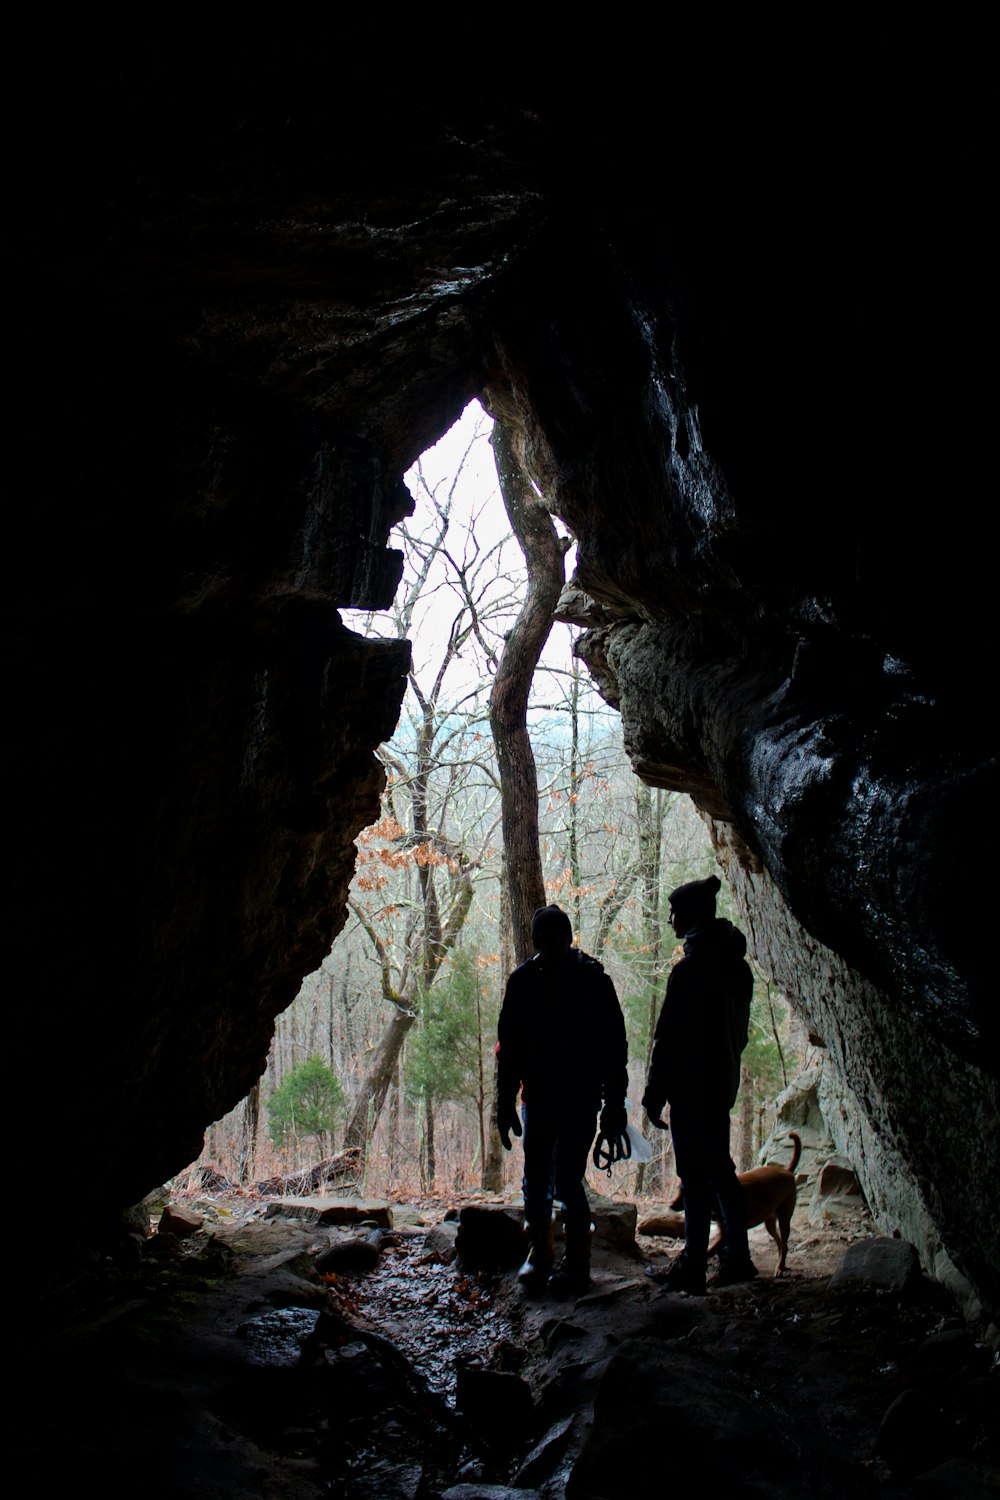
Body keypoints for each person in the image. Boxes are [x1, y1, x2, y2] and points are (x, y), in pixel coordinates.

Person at [496, 904, 629, 1296]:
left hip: (579, 1098)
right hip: (538, 1096)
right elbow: (510, 1048)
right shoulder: (522, 982)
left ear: (568, 938)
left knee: (568, 1179)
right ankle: (540, 1256)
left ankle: (576, 1264)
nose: (553, 945)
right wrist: (505, 1101)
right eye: (545, 939)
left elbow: (613, 1049)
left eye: (558, 938)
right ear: (536, 941)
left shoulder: (592, 980)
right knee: (537, 1179)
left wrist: (616, 1106)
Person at [641, 874, 756, 1294]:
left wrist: (654, 1094)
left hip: (692, 1088)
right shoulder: (738, 970)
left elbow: (668, 1038)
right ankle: (737, 1258)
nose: (669, 917)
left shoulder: (689, 971)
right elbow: (739, 1035)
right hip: (722, 1083)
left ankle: (692, 1264)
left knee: (693, 1176)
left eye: (675, 912)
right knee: (721, 1171)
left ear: (690, 917)